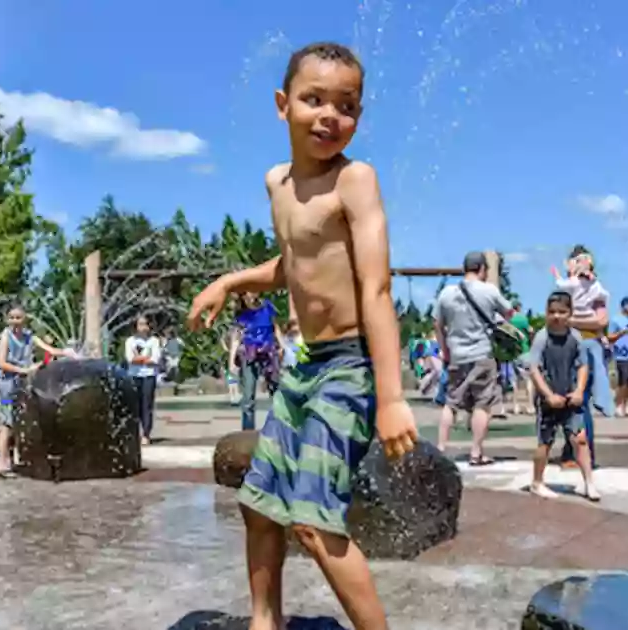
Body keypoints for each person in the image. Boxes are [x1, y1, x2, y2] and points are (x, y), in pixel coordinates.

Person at [185, 41, 417, 630]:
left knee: (312, 520)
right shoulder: (278, 184)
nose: (329, 115)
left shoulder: (355, 180)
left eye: (346, 105)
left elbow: (377, 290)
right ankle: (267, 623)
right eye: (314, 100)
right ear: (283, 104)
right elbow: (293, 262)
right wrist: (230, 281)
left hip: (350, 366)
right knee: (259, 503)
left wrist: (390, 398)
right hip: (307, 364)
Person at [435, 251, 513, 465]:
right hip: (481, 354)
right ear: (482, 269)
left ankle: (441, 447)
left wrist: (445, 350)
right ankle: (476, 453)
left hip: (456, 355)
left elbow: (438, 325)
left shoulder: (446, 293)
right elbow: (509, 313)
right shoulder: (489, 291)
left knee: (451, 403)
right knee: (482, 403)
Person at [526, 291, 597, 501]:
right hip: (548, 400)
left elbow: (583, 365)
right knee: (545, 442)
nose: (556, 316)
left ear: (570, 314)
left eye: (562, 312)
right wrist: (547, 395)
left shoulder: (575, 337)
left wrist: (579, 391)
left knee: (580, 439)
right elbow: (534, 369)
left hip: (570, 397)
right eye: (552, 312)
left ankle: (589, 482)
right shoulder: (542, 337)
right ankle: (537, 482)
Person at [0, 305, 72, 475]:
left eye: (18, 317)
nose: (15, 321)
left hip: (23, 383)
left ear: (25, 319)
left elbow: (49, 350)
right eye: (11, 317)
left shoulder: (29, 336)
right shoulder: (6, 337)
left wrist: (67, 353)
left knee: (20, 420)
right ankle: (2, 463)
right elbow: (1, 363)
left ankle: (14, 459)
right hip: (7, 386)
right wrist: (25, 370)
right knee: (7, 421)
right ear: (7, 320)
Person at [553, 245, 612, 467]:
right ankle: (571, 449)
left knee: (579, 400)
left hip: (583, 344)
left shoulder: (593, 287)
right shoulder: (572, 287)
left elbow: (601, 321)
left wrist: (570, 321)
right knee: (568, 399)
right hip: (567, 343)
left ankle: (583, 453)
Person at [234, 292, 282, 431]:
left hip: (268, 353)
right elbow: (237, 337)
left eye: (251, 291)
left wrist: (283, 346)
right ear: (242, 297)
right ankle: (247, 431)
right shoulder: (241, 314)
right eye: (246, 293)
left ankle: (278, 429)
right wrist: (232, 361)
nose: (249, 295)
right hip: (249, 354)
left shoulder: (267, 307)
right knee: (248, 397)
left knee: (276, 392)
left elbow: (275, 328)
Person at [125, 316, 163, 445]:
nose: (142, 327)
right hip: (134, 376)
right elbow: (130, 359)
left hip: (149, 376)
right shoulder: (130, 341)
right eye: (140, 324)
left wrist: (139, 359)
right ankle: (134, 433)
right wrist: (145, 358)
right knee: (134, 406)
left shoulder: (154, 341)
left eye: (145, 324)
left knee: (147, 405)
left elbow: (155, 360)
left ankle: (146, 434)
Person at [507, 305, 536, 416]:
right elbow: (530, 331)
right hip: (524, 351)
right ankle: (530, 406)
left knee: (515, 383)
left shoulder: (508, 321)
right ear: (518, 308)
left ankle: (516, 407)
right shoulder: (522, 319)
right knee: (529, 380)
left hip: (512, 353)